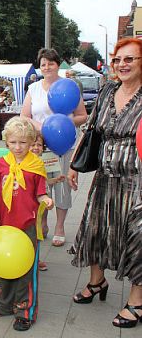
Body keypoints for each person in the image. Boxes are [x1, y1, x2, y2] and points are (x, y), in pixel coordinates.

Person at [68, 38, 142, 329]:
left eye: (129, 59)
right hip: (105, 177)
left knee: (136, 238)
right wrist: (75, 164)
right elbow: (91, 130)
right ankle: (97, 282)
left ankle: (136, 300)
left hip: (137, 180)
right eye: (118, 59)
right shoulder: (108, 90)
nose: (122, 64)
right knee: (95, 229)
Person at [0, 117, 54, 331]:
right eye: (13, 142)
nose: (18, 147)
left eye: (23, 143)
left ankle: (25, 310)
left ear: (32, 142)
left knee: (26, 271)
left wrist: (46, 201)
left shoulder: (36, 165)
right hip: (5, 227)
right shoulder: (1, 164)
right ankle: (5, 304)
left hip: (27, 226)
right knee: (5, 268)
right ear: (6, 142)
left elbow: (40, 192)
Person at [21, 48, 87, 247]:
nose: (47, 67)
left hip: (64, 144)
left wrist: (65, 123)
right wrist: (44, 128)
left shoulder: (69, 87)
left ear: (58, 64)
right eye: (43, 64)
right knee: (41, 184)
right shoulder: (33, 89)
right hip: (39, 144)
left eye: (51, 63)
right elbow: (25, 116)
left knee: (62, 185)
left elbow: (83, 115)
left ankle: (59, 226)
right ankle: (42, 222)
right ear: (39, 67)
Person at [29, 132, 65, 272]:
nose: (36, 147)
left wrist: (55, 180)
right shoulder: (27, 163)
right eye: (33, 144)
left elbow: (43, 183)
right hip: (30, 205)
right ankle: (31, 260)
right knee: (31, 233)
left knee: (37, 234)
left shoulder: (41, 163)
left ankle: (35, 259)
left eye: (39, 145)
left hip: (41, 204)